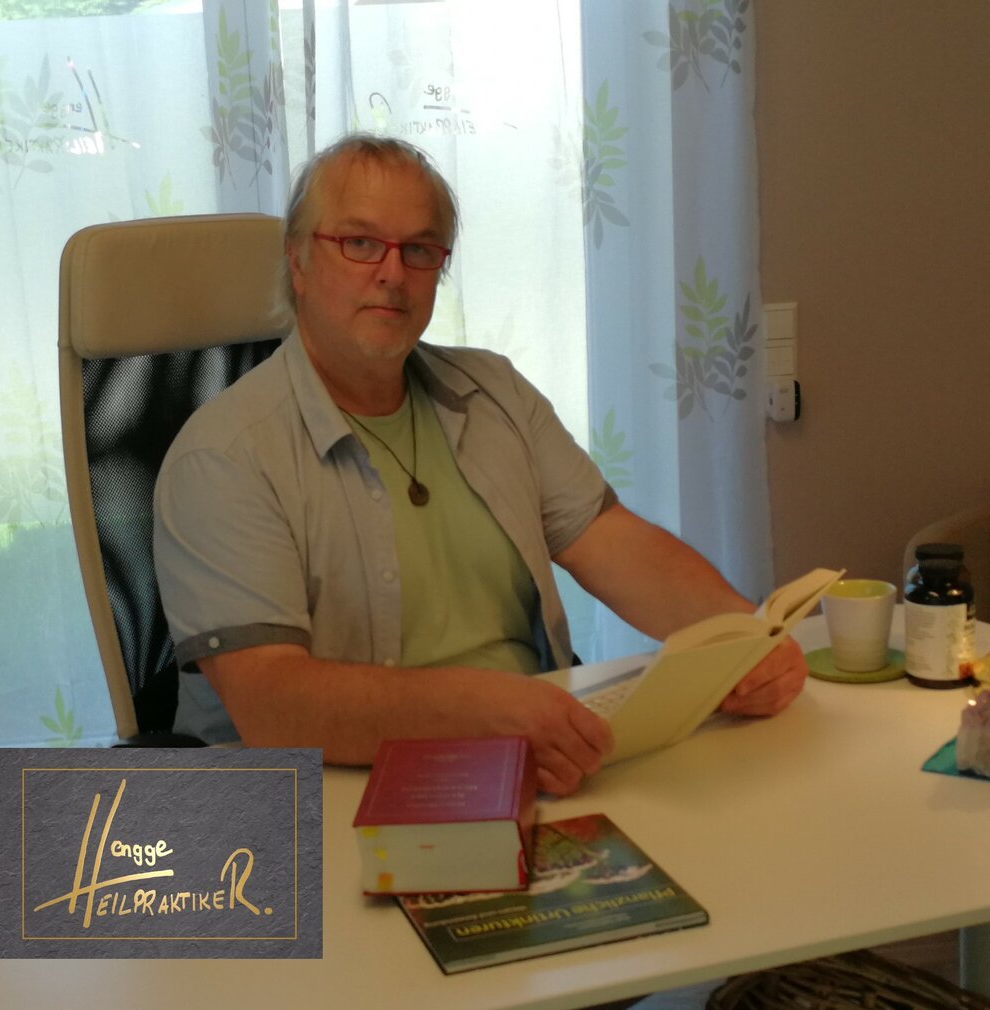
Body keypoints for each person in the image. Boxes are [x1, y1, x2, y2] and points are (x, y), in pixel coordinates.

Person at [153, 133, 807, 797]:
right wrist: (485, 709)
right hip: (319, 797)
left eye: (419, 249)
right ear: (297, 260)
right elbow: (275, 707)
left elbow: (613, 543)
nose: (392, 273)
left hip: (524, 764)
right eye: (360, 243)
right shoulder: (223, 457)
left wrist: (741, 638)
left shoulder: (496, 395)